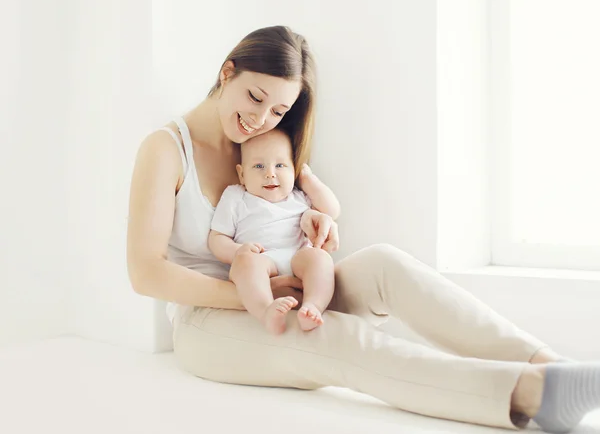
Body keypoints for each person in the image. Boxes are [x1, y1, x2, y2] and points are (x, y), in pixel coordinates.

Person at [127, 26, 600, 433]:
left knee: (383, 263)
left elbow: (291, 215)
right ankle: (533, 394)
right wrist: (263, 295)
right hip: (208, 323)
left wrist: (317, 225)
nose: (260, 119)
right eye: (255, 97)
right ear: (226, 73)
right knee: (332, 337)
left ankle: (551, 367)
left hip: (285, 287)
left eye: (278, 111)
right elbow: (146, 273)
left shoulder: (259, 148)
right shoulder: (166, 149)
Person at [208, 128, 338, 335]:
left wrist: (307, 178)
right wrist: (238, 252)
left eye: (280, 165)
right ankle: (265, 311)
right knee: (246, 265)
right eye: (259, 166)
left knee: (320, 258)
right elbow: (217, 238)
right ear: (242, 174)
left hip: (298, 258)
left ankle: (313, 306)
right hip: (260, 258)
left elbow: (332, 210)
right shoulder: (236, 196)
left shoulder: (299, 196)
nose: (270, 173)